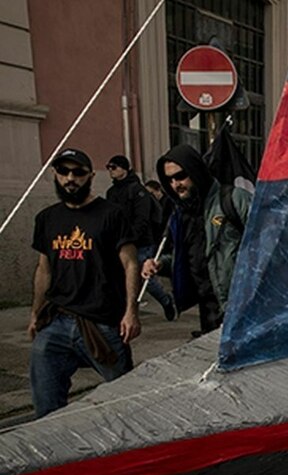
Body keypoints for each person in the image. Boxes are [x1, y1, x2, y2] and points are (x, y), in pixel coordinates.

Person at [28, 148, 141, 418]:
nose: (71, 178)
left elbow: (130, 264)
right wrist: (35, 313)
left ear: (90, 176)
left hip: (102, 323)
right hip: (56, 321)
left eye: (78, 172)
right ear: (55, 175)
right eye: (64, 172)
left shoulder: (111, 214)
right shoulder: (47, 218)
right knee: (45, 407)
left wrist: (131, 312)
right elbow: (44, 269)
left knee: (125, 400)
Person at [142, 144, 251, 334]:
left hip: (239, 306)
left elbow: (266, 245)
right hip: (208, 308)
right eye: (170, 180)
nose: (176, 184)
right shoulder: (182, 214)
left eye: (181, 175)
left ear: (196, 171)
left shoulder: (233, 200)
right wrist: (160, 264)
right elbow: (186, 257)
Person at [106, 155, 176, 321]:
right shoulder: (112, 192)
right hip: (120, 242)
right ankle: (127, 310)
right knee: (123, 278)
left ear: (124, 168)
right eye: (109, 167)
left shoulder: (137, 190)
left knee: (145, 278)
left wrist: (133, 238)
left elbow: (142, 218)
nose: (111, 171)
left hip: (140, 242)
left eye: (114, 167)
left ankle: (166, 301)